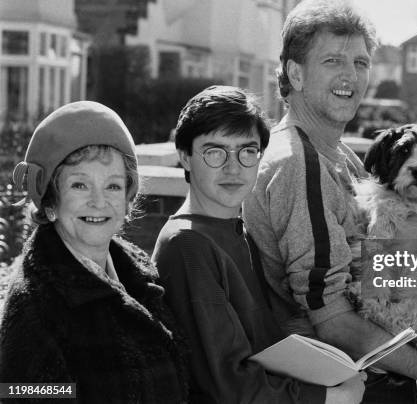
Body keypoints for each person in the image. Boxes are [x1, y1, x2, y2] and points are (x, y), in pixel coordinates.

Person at [243, 1, 417, 402]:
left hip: (374, 374)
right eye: (333, 60)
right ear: (295, 73)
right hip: (348, 385)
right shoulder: (299, 163)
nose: (350, 75)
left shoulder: (338, 153)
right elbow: (332, 318)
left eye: (361, 62)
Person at [152, 85, 366, 404]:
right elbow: (227, 385)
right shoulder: (188, 245)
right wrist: (330, 398)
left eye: (247, 150)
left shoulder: (238, 230)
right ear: (184, 156)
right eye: (215, 151)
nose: (233, 167)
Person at [0, 101, 187, 403]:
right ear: (49, 202)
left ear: (128, 197)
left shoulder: (140, 273)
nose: (99, 202)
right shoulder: (33, 310)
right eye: (80, 185)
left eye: (113, 186)